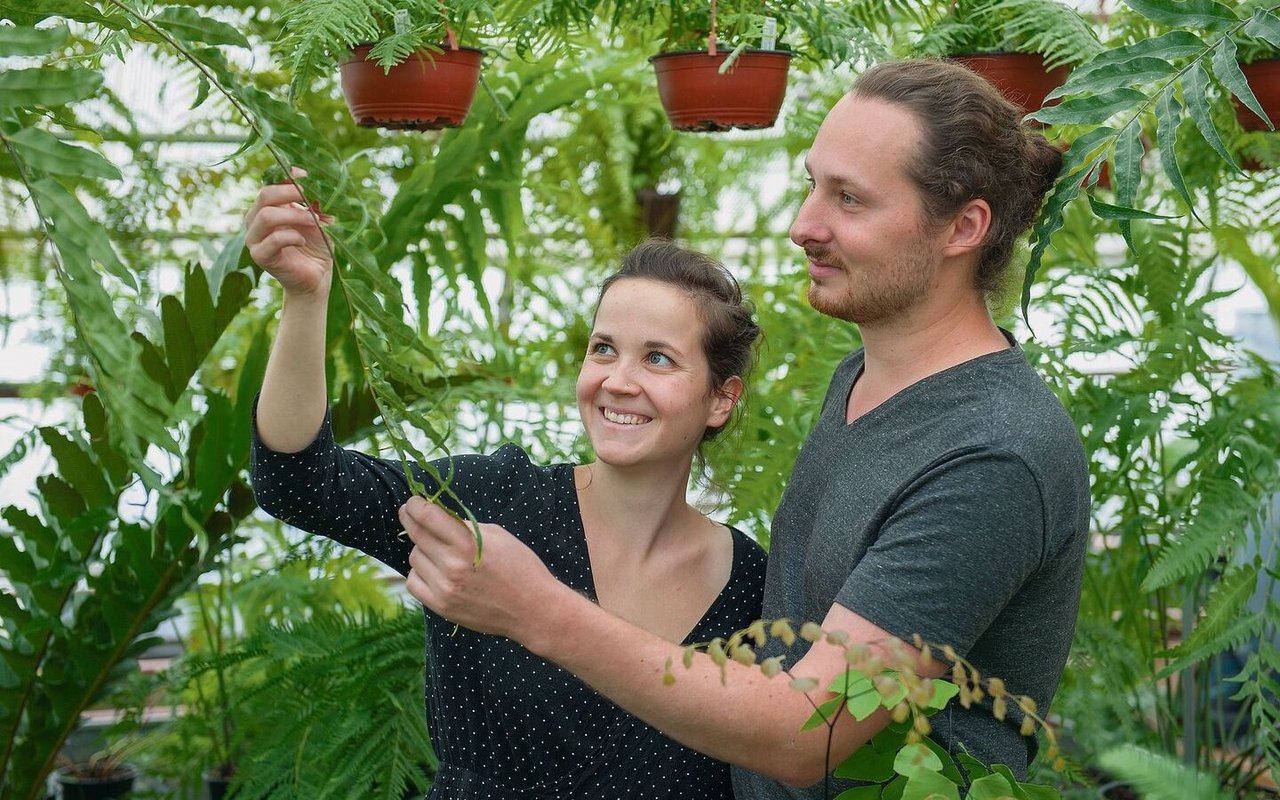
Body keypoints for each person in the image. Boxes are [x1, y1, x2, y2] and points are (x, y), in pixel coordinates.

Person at [399, 58, 1092, 798]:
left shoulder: (991, 458)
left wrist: (537, 609)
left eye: (849, 200)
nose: (803, 227)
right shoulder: (864, 378)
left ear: (964, 227)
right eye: (811, 184)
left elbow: (810, 732)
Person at [244, 184, 768, 800]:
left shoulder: (754, 586)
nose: (617, 381)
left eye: (658, 359)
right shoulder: (491, 505)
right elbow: (301, 484)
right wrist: (306, 299)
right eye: (603, 349)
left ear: (721, 399)